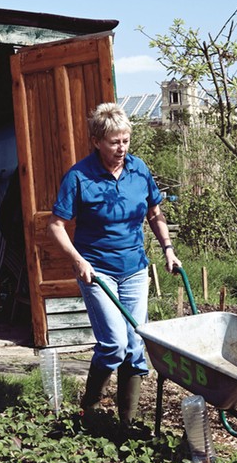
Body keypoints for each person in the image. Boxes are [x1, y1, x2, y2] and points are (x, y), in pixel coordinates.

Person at [48, 102, 181, 434]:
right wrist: (78, 260)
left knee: (136, 346)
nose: (121, 148)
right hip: (98, 271)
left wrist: (168, 249)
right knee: (114, 345)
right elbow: (55, 225)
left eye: (125, 140)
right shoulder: (79, 176)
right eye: (114, 142)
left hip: (134, 269)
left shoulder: (139, 170)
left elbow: (155, 213)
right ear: (96, 141)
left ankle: (126, 424)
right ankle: (89, 415)